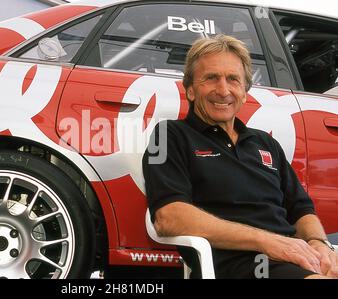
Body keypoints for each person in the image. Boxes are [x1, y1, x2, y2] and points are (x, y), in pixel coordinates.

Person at [142, 34, 338, 279]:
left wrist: (318, 243)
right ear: (190, 90)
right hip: (238, 262)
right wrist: (266, 241)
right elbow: (168, 217)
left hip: (292, 255)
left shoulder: (266, 143)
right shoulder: (171, 136)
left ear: (244, 92)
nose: (223, 90)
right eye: (211, 78)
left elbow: (300, 209)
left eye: (233, 79)